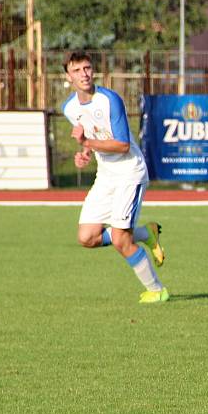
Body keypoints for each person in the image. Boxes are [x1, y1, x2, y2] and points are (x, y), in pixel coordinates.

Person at [62, 52, 169, 304]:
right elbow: (91, 135)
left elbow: (121, 145)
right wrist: (85, 152)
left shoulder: (109, 100)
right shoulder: (69, 108)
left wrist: (87, 142)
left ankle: (157, 290)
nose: (84, 74)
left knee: (121, 240)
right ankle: (146, 233)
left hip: (129, 172)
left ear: (93, 70)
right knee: (87, 237)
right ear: (68, 76)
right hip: (106, 175)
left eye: (87, 68)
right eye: (77, 70)